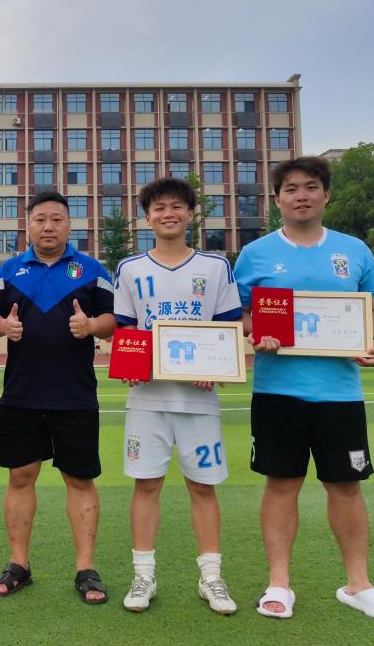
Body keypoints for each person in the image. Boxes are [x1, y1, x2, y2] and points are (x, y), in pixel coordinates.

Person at [234, 156, 374, 620]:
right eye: (290, 189)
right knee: (281, 485)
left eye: (310, 187)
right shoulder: (255, 254)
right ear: (277, 199)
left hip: (340, 393)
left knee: (346, 486)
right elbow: (241, 312)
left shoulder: (353, 250)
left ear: (326, 195)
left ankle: (358, 584)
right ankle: (279, 583)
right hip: (278, 391)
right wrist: (256, 331)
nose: (301, 196)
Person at [113, 178, 242, 615]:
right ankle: (143, 575)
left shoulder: (216, 266)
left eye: (176, 206)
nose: (167, 214)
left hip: (198, 401)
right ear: (146, 217)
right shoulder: (130, 268)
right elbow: (126, 329)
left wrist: (214, 365)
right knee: (146, 484)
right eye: (159, 207)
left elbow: (228, 327)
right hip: (147, 400)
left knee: (202, 487)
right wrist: (130, 364)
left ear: (190, 213)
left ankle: (212, 577)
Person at [0, 190, 116, 604]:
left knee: (80, 479)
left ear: (69, 225)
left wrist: (91, 326)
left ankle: (86, 569)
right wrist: (3, 327)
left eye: (57, 219)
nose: (48, 227)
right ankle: (18, 564)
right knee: (20, 477)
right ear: (28, 225)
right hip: (20, 395)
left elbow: (114, 319)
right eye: (40, 219)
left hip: (75, 396)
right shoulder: (9, 270)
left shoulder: (92, 270)